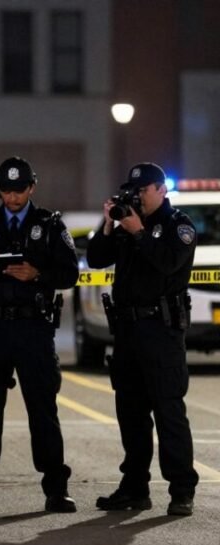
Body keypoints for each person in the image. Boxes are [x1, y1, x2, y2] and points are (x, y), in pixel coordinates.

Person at [0, 156, 78, 513]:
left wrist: (37, 274)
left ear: (31, 187)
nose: (12, 197)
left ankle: (56, 489)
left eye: (19, 189)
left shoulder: (49, 224)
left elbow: (70, 273)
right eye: (5, 190)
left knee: (43, 409)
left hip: (34, 328)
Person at [87, 162, 198, 516]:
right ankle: (134, 488)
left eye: (144, 190)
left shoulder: (177, 225)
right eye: (134, 190)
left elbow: (167, 262)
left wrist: (138, 233)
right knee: (131, 413)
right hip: (128, 331)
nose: (137, 196)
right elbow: (95, 259)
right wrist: (108, 226)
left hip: (161, 330)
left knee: (168, 411)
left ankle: (182, 490)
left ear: (161, 190)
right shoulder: (126, 222)